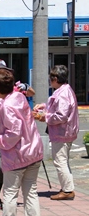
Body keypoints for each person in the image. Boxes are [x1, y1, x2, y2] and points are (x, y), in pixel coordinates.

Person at [0, 65, 44, 216]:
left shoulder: (7, 106)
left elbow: (13, 135)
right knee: (30, 193)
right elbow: (0, 103)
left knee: (10, 194)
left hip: (17, 157)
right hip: (33, 152)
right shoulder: (18, 97)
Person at [33, 65, 79, 201]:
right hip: (65, 132)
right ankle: (67, 187)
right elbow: (57, 107)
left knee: (60, 161)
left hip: (63, 132)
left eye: (51, 78)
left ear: (56, 78)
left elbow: (61, 115)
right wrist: (44, 106)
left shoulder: (63, 93)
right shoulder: (64, 90)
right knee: (63, 160)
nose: (50, 81)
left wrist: (44, 116)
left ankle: (67, 190)